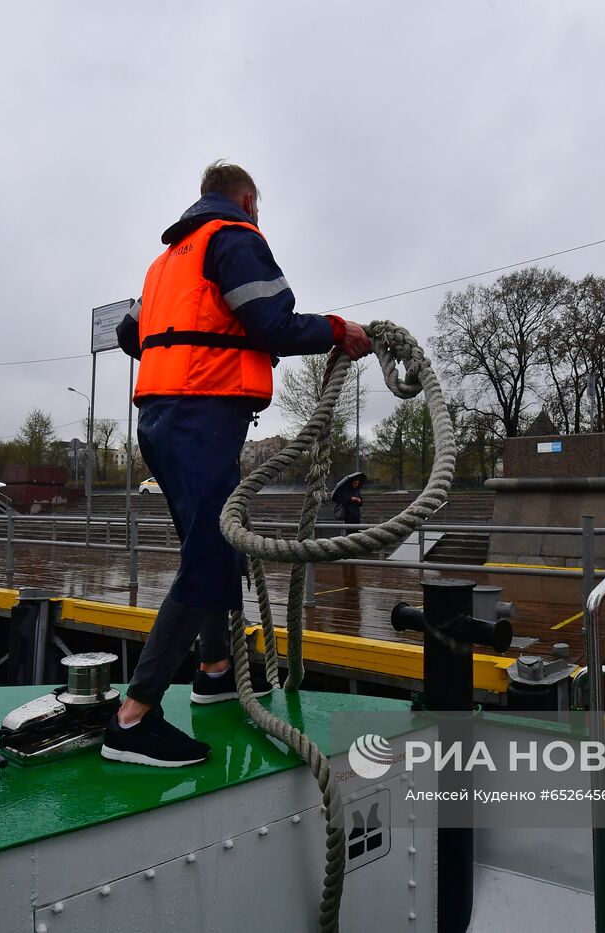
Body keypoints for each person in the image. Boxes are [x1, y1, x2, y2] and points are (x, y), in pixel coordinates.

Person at [104, 161, 372, 768]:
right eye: (259, 206)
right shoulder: (235, 237)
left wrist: (187, 344)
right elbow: (272, 322)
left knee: (214, 548)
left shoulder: (168, 261)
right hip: (201, 419)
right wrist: (339, 329)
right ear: (247, 199)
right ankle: (133, 716)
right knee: (207, 557)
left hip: (162, 420)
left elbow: (131, 333)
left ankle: (216, 669)